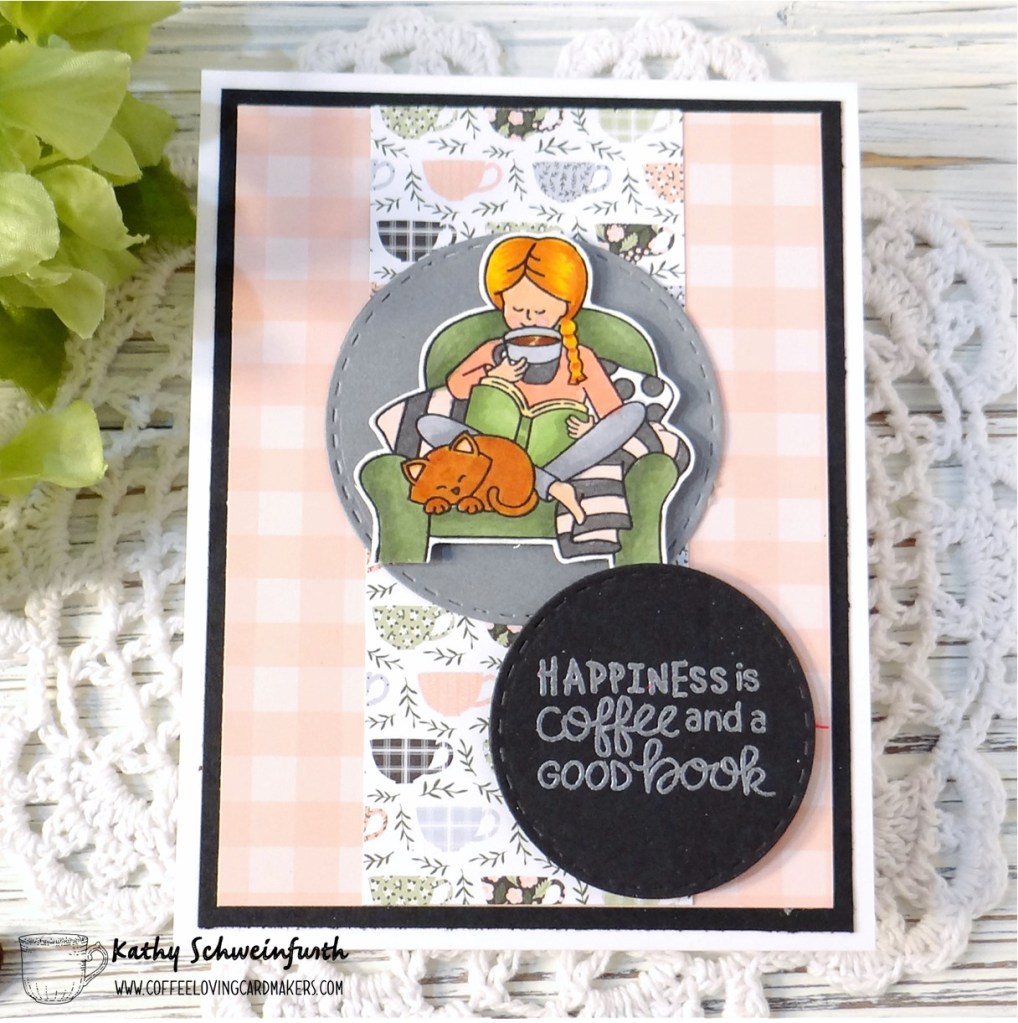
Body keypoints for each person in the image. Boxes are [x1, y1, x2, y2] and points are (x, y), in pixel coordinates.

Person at [416, 235, 645, 524]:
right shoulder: (493, 351)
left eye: (540, 311)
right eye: (517, 310)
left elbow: (612, 411)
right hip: (494, 452)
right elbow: (456, 388)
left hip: (558, 455)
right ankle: (550, 485)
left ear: (566, 308)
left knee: (633, 413)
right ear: (501, 304)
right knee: (430, 425)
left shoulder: (581, 356)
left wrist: (589, 429)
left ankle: (538, 478)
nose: (528, 319)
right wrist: (493, 375)